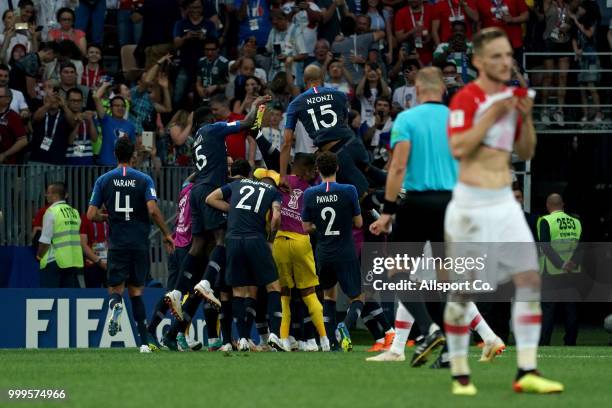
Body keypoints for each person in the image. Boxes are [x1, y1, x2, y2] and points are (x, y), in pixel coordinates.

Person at [443, 27, 563, 395]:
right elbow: (459, 147)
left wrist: (525, 118)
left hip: (504, 202)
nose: (504, 61)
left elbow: (526, 152)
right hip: (469, 204)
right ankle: (460, 373)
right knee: (462, 290)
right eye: (496, 55)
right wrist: (493, 112)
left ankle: (526, 369)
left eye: (508, 54)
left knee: (529, 279)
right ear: (478, 61)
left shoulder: (514, 98)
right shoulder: (466, 98)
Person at [368, 67, 502, 367]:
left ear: (416, 90)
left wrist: (388, 211)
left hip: (417, 202)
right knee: (445, 282)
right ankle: (450, 350)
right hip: (453, 205)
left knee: (398, 272)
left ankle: (429, 329)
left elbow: (398, 167)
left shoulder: (406, 119)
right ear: (443, 89)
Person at [161, 95, 271, 350]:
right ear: (208, 120)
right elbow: (245, 123)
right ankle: (206, 283)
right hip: (210, 190)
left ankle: (178, 296)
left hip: (198, 190)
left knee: (199, 244)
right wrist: (255, 106)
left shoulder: (198, 139)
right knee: (220, 243)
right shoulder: (212, 129)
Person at [87, 136, 175, 353]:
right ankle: (144, 343)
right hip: (139, 243)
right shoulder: (144, 180)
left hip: (117, 243)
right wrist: (166, 233)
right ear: (133, 156)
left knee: (115, 289)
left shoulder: (104, 180)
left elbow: (90, 214)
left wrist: (107, 217)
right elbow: (153, 210)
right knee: (136, 291)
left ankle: (116, 305)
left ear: (116, 155)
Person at [205, 168, 287, 351]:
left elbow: (210, 198)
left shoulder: (236, 184)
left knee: (238, 291)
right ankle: (274, 334)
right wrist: (271, 238)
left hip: (232, 240)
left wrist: (233, 209)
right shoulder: (273, 192)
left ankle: (242, 339)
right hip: (255, 239)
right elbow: (276, 218)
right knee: (273, 286)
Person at [302, 152, 367, 352]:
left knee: (328, 295)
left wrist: (320, 227)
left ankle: (331, 343)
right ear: (337, 168)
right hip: (345, 250)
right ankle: (344, 326)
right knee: (358, 298)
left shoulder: (310, 193)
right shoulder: (349, 190)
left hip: (324, 251)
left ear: (318, 170)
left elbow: (305, 227)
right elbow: (359, 223)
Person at [280, 65, 374, 199]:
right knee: (371, 174)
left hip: (336, 154)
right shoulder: (340, 95)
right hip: (353, 143)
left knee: (360, 196)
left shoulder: (296, 103)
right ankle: (399, 188)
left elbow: (287, 142)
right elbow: (344, 123)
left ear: (304, 80)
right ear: (322, 78)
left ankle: (390, 203)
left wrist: (283, 175)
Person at [272, 153, 330, 352]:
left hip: (280, 241)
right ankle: (324, 340)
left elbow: (258, 172)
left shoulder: (280, 180)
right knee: (309, 293)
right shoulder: (313, 191)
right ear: (307, 170)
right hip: (301, 241)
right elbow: (314, 222)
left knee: (284, 294)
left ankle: (284, 339)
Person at [538, 193, 582, 346]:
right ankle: (570, 342)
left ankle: (544, 342)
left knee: (548, 309)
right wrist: (572, 263)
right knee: (571, 308)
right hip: (572, 272)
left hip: (551, 271)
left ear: (548, 206)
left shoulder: (546, 221)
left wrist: (561, 263)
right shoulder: (576, 222)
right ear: (563, 205)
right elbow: (580, 246)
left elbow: (545, 246)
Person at [36, 182, 83, 288]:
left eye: (48, 193)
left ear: (55, 195)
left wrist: (39, 255)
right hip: (71, 261)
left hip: (53, 260)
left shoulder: (51, 211)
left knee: (49, 298)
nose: (46, 195)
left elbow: (45, 240)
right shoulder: (75, 212)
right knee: (66, 298)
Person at [93, 81, 137, 166]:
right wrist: (105, 85)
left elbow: (133, 149)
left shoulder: (130, 126)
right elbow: (96, 97)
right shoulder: (105, 120)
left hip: (123, 167)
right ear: (111, 108)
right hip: (105, 166)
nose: (120, 108)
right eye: (116, 105)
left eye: (122, 106)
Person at [65, 87, 97, 165]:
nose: (76, 103)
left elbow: (94, 139)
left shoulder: (87, 116)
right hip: (70, 160)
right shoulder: (64, 117)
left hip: (87, 159)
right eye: (73, 100)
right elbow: (69, 141)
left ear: (83, 102)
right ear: (67, 101)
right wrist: (78, 122)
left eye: (79, 101)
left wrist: (90, 120)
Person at [79, 210, 109, 288]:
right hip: (92, 263)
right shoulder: (85, 218)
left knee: (113, 295)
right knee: (93, 296)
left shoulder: (111, 216)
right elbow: (83, 244)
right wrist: (99, 262)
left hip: (110, 264)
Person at [0, 85, 28, 164]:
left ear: (8, 99)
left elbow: (23, 141)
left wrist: (4, 155)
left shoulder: (14, 117)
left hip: (7, 166)